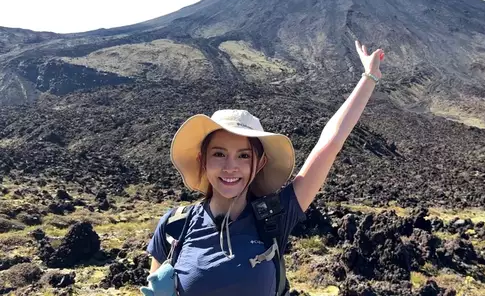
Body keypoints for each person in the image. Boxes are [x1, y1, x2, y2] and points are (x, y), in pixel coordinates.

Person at [142, 40, 385, 296]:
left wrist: (369, 77)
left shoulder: (274, 217)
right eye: (219, 154)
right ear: (203, 160)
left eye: (244, 155)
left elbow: (330, 143)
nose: (230, 167)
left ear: (260, 164)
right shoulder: (175, 226)